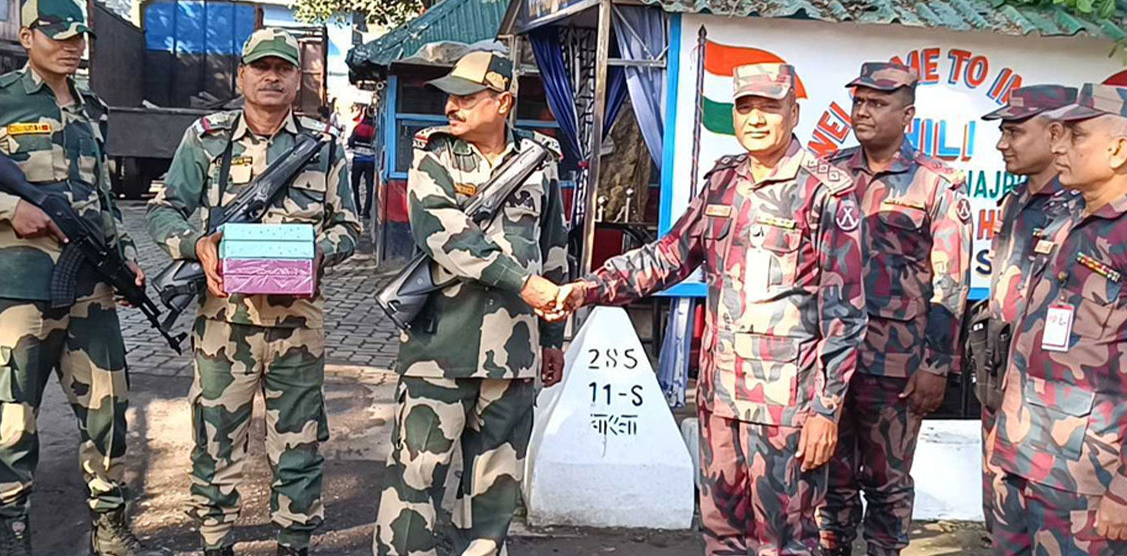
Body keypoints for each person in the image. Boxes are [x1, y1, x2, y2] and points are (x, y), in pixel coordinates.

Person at [549, 63, 866, 556]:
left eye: (769, 106)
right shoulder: (722, 182)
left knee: (785, 542)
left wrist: (826, 411)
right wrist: (588, 287)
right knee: (721, 537)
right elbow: (669, 255)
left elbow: (845, 314)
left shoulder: (826, 193)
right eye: (745, 107)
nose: (756, 118)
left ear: (794, 112)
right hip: (719, 397)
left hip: (786, 410)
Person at [0, 0, 159, 556]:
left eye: (78, 37)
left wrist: (126, 257)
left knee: (109, 413)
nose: (71, 47)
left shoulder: (93, 110)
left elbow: (105, 201)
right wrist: (9, 208)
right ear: (27, 37)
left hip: (92, 290)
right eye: (57, 36)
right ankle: (12, 537)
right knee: (16, 423)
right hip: (19, 295)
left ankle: (110, 534)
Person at [146, 27, 361, 556]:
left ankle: (294, 541)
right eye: (261, 67)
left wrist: (317, 251)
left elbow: (350, 229)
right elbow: (162, 209)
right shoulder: (206, 138)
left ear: (297, 79)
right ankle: (215, 540)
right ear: (241, 74)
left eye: (283, 68)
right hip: (223, 325)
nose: (272, 76)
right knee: (215, 438)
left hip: (298, 328)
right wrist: (197, 245)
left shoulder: (323, 146)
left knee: (299, 443)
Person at [372, 50, 568, 556]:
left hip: (513, 354)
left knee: (495, 486)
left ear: (503, 101)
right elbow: (443, 232)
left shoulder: (539, 167)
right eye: (450, 96)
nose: (452, 106)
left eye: (466, 96)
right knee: (418, 476)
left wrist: (551, 339)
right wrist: (521, 283)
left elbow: (554, 253)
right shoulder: (433, 157)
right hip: (440, 347)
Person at [818, 62, 972, 556]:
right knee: (830, 479)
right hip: (833, 359)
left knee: (887, 482)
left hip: (898, 364)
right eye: (859, 101)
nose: (862, 111)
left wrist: (936, 365)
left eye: (877, 104)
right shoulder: (829, 175)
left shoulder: (935, 185)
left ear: (907, 114)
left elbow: (950, 284)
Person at [989, 83, 1127, 556]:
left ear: (1118, 150)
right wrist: (1003, 426)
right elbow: (1031, 331)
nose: (1058, 143)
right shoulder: (1063, 216)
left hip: (1089, 478)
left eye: (1076, 136)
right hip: (1021, 454)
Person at [975, 84, 1077, 540]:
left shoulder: (1082, 206)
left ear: (1055, 133)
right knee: (1003, 523)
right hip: (1002, 389)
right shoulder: (1018, 201)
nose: (1002, 143)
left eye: (1014, 132)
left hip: (1056, 405)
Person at [348, 107, 376, 218]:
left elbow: (351, 142)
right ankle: (366, 212)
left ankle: (357, 207)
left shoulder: (358, 128)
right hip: (370, 161)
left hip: (358, 160)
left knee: (355, 185)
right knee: (369, 186)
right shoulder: (375, 129)